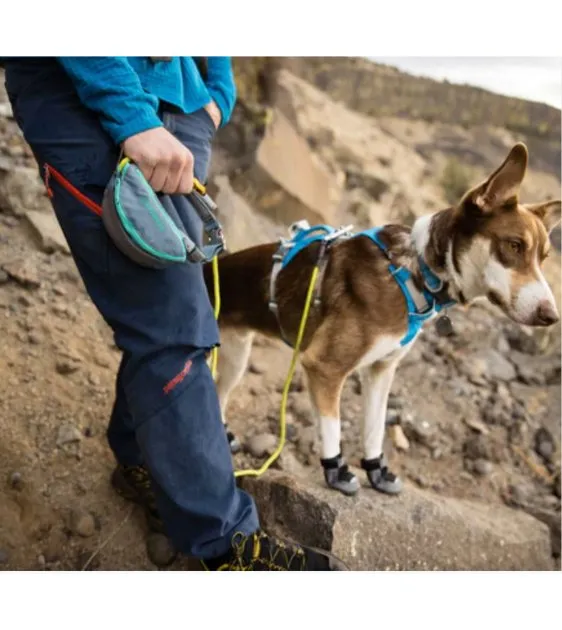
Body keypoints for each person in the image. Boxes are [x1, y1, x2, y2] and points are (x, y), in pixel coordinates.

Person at [2, 56, 345, 570]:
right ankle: (223, 545)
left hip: (181, 113)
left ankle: (139, 458)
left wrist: (215, 96)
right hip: (90, 93)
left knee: (179, 307)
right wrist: (132, 115)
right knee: (175, 322)